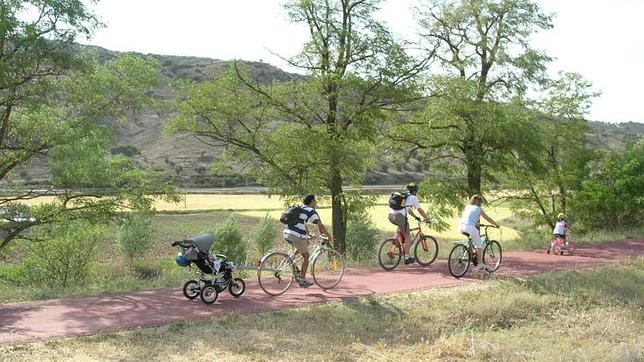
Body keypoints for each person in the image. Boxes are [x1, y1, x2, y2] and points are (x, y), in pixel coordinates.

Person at [282, 194, 331, 288]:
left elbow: (302, 223)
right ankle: (303, 280)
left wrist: (308, 235)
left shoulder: (300, 209)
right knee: (306, 256)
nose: (316, 202)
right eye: (315, 200)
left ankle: (290, 258)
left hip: (287, 233)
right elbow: (320, 225)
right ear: (312, 201)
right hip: (295, 235)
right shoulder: (311, 211)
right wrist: (329, 237)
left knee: (306, 242)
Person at [388, 182, 430, 265]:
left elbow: (408, 209)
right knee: (408, 236)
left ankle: (392, 248)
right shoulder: (414, 198)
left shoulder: (405, 196)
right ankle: (406, 257)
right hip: (399, 217)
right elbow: (420, 210)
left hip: (391, 216)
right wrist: (426, 218)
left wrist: (415, 217)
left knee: (400, 229)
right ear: (415, 191)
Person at [459, 194, 499, 268]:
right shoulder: (479, 209)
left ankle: (470, 255)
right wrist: (496, 224)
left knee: (471, 242)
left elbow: (468, 218)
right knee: (479, 247)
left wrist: (476, 224)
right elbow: (488, 218)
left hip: (461, 227)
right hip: (470, 228)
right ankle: (480, 264)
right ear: (479, 201)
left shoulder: (467, 207)